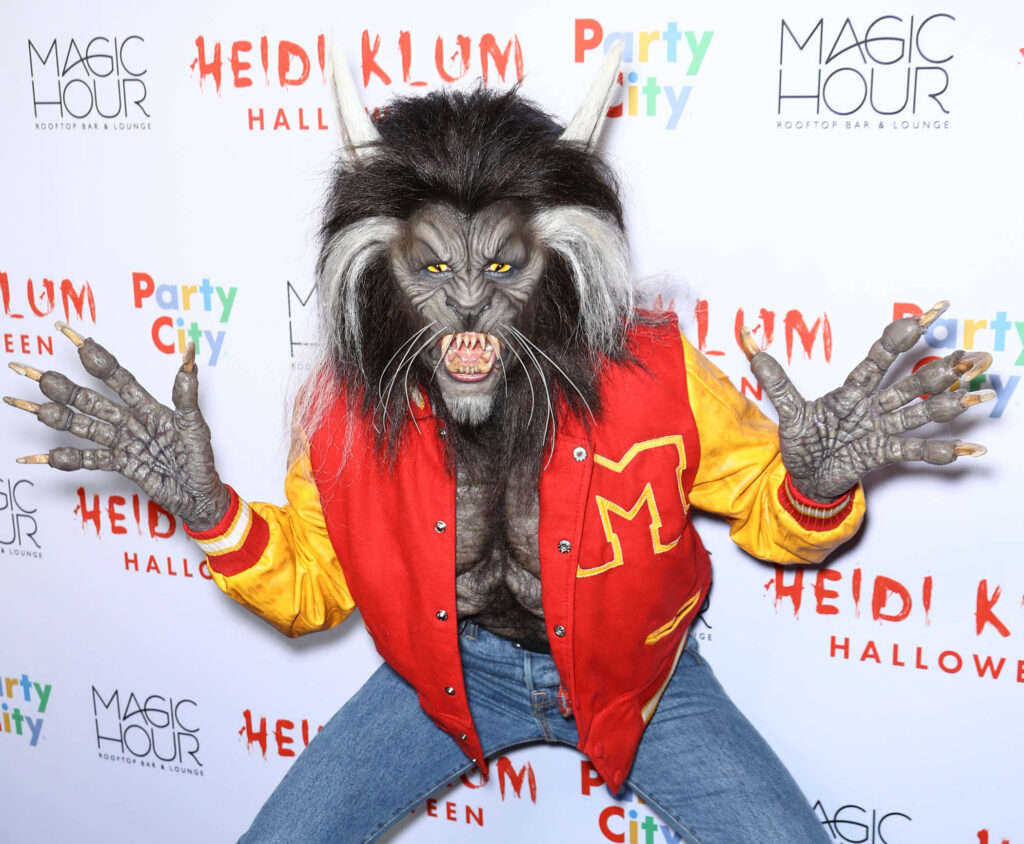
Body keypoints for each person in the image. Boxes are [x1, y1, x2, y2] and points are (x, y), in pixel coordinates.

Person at [5, 45, 992, 843]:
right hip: (448, 672)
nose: (471, 301)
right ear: (378, 275)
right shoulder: (347, 412)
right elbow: (311, 590)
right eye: (433, 267)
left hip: (642, 679)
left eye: (504, 266)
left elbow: (775, 518)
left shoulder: (657, 373)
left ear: (558, 264)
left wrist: (812, 483)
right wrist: (212, 512)